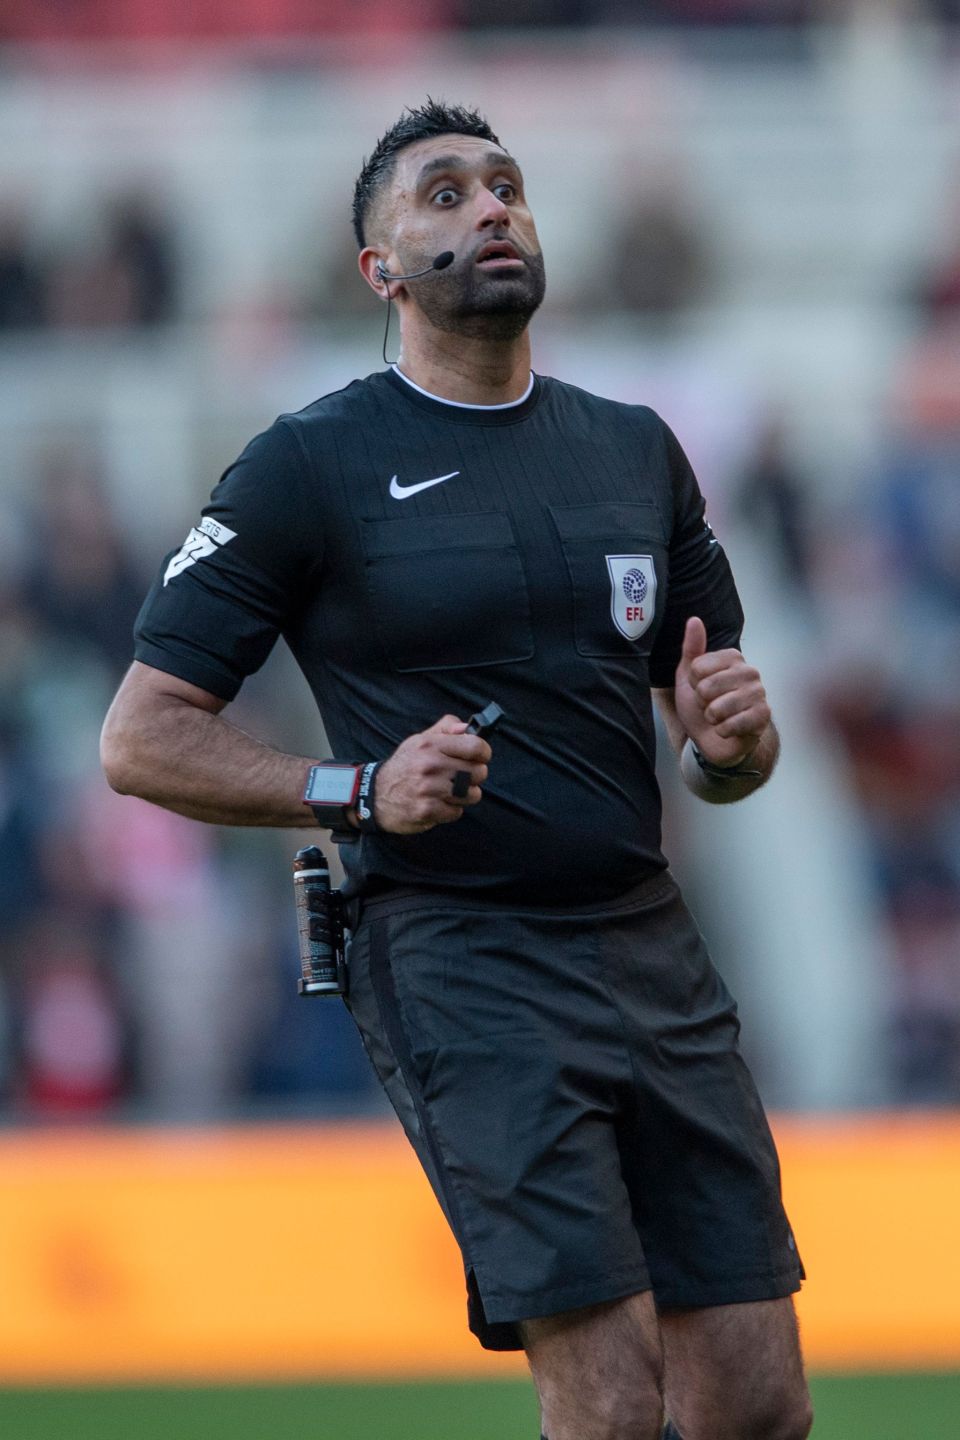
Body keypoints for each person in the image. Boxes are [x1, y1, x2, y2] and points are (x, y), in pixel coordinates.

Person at [101, 100, 812, 1440]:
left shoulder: (634, 451)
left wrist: (733, 751)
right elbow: (140, 736)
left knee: (761, 1404)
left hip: (650, 941)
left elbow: (718, 757)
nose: (492, 208)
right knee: (607, 1402)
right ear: (380, 272)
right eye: (444, 195)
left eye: (507, 185)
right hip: (462, 957)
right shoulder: (308, 463)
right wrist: (357, 790)